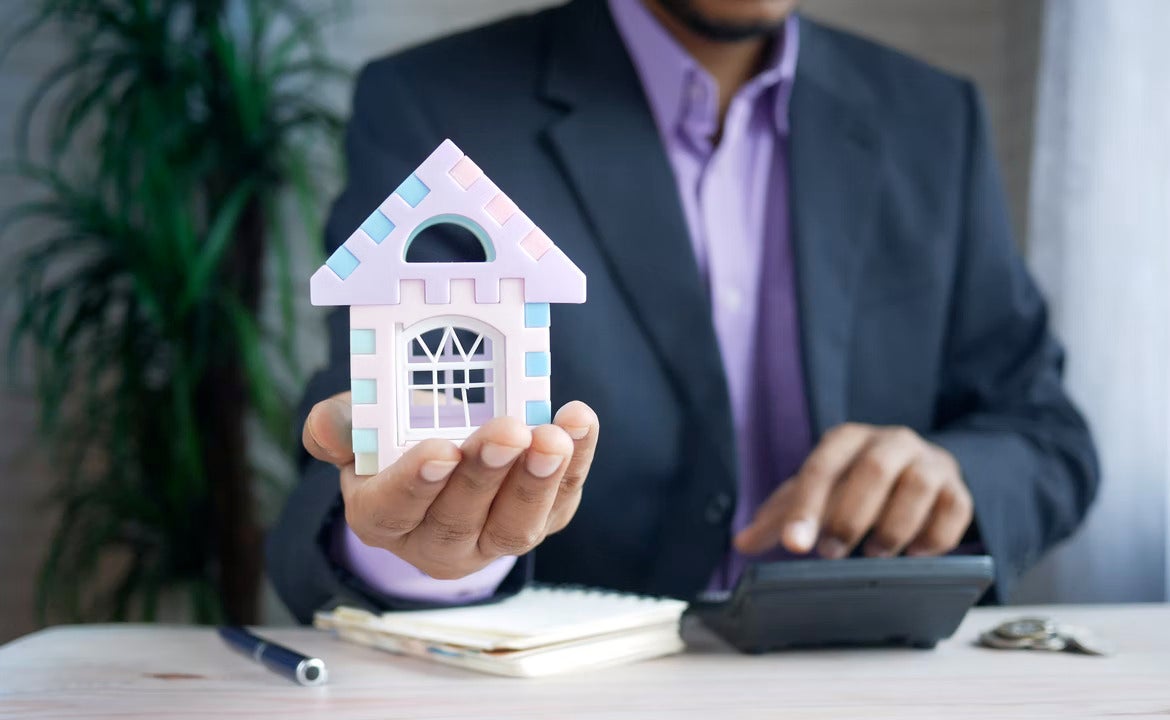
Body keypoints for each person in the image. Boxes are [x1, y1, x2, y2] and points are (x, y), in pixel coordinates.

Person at [267, 0, 1098, 623]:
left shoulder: (933, 119)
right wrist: (424, 551)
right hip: (570, 716)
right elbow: (366, 441)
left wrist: (954, 476)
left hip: (878, 693)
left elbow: (1046, 435)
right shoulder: (433, 104)